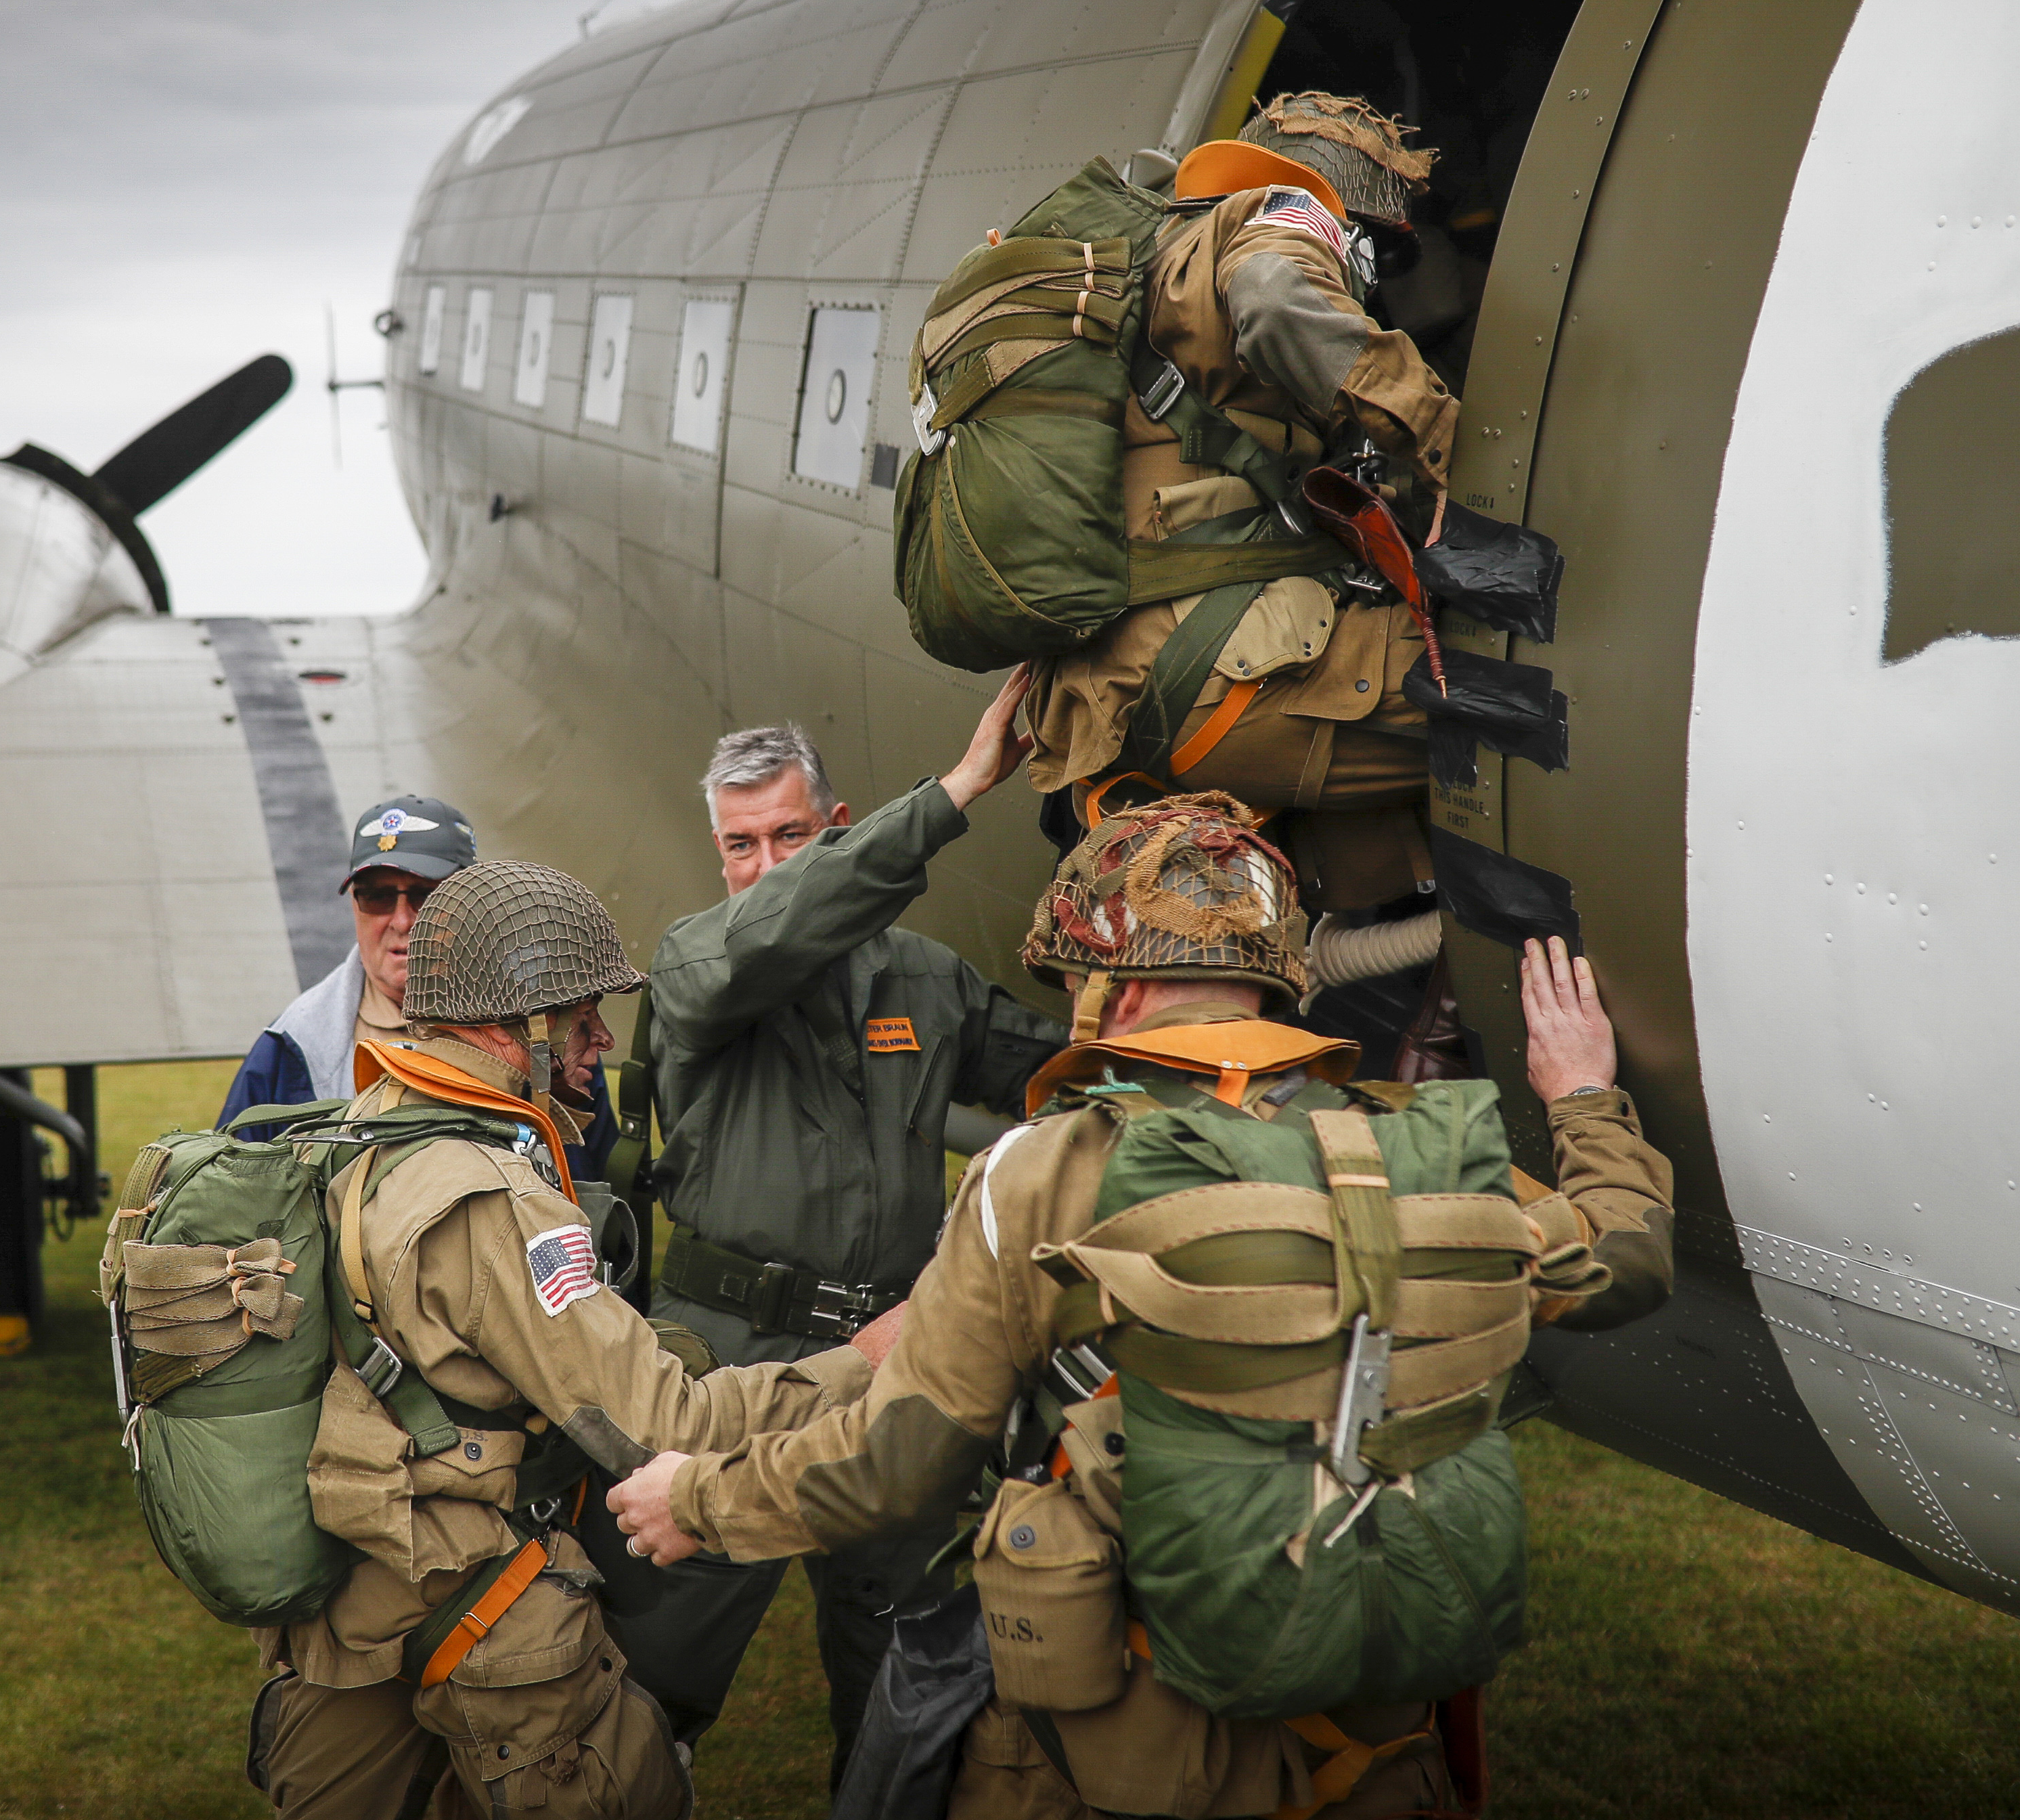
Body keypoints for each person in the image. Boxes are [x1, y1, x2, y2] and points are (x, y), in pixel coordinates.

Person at [607, 794, 1676, 1819]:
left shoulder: (1043, 1168)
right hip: (1365, 1751)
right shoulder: (1414, 1151)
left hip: (1116, 1755)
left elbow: (902, 1460)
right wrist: (1584, 1098)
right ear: (1275, 975)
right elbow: (1626, 1256)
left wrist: (699, 1502)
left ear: (1107, 988)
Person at [246, 858, 893, 1820]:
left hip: (346, 1613)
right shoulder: (494, 1198)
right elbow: (666, 1423)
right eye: (584, 1015)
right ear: (523, 1026)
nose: (603, 1039)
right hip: (479, 1612)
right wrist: (872, 1358)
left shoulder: (363, 1128)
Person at [619, 669, 1069, 1780]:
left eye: (789, 836)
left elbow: (1062, 1077)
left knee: (901, 1676)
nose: (765, 868)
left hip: (891, 1363)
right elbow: (775, 932)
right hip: (725, 1365)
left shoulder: (923, 980)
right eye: (740, 846)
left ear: (838, 828)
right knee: (646, 1681)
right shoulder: (694, 967)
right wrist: (958, 789)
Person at [1029, 91, 1461, 910]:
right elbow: (1275, 292)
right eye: (1383, 254)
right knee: (1518, 694)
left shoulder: (1152, 261)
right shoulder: (1284, 216)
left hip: (1106, 702)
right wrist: (1446, 440)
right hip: (1210, 674)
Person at [219, 794, 621, 1174]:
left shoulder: (543, 1024)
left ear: (477, 904)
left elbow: (597, 1188)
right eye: (376, 896)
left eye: (428, 895)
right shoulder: (293, 1045)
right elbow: (233, 1190)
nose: (402, 921)